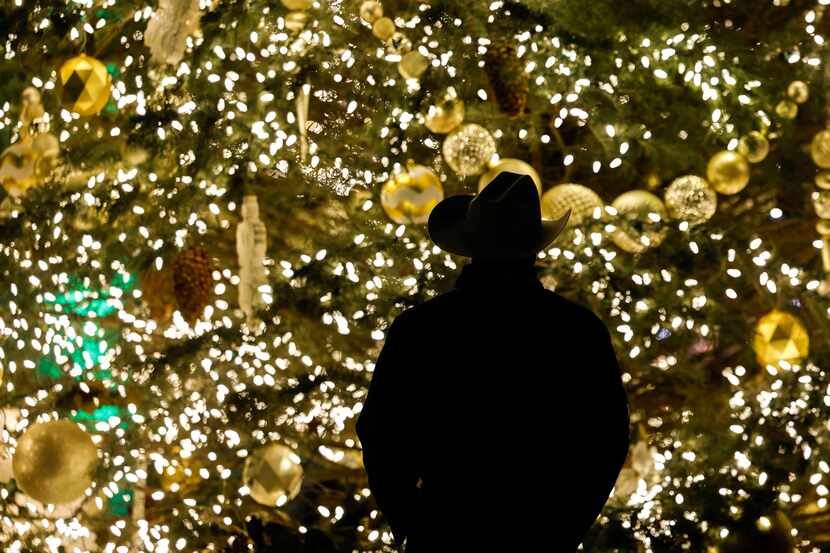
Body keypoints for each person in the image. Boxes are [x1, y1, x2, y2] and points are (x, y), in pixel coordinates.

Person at [356, 171, 630, 552]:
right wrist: (565, 527)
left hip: (445, 529)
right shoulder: (578, 330)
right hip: (539, 532)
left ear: (471, 244)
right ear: (534, 248)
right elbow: (605, 441)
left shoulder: (421, 327)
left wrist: (409, 520)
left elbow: (381, 432)